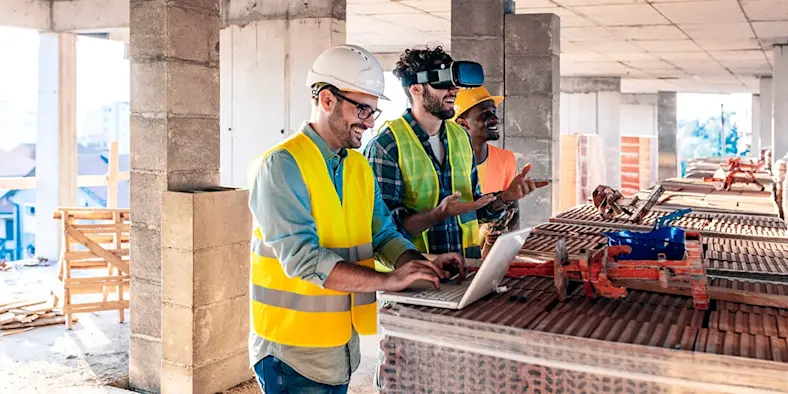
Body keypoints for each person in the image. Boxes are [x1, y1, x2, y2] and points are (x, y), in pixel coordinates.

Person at [246, 44, 466, 393]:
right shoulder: (282, 165)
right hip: (291, 352)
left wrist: (419, 262)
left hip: (340, 347)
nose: (368, 120)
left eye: (373, 111)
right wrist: (391, 280)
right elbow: (304, 259)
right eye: (362, 108)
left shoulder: (357, 166)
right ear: (327, 100)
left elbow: (383, 234)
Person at [364, 45, 539, 259]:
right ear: (416, 89)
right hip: (417, 277)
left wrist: (505, 197)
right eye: (443, 83)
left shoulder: (460, 137)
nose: (454, 90)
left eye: (454, 84)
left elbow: (473, 209)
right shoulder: (387, 146)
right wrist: (439, 214)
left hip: (465, 266)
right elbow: (385, 230)